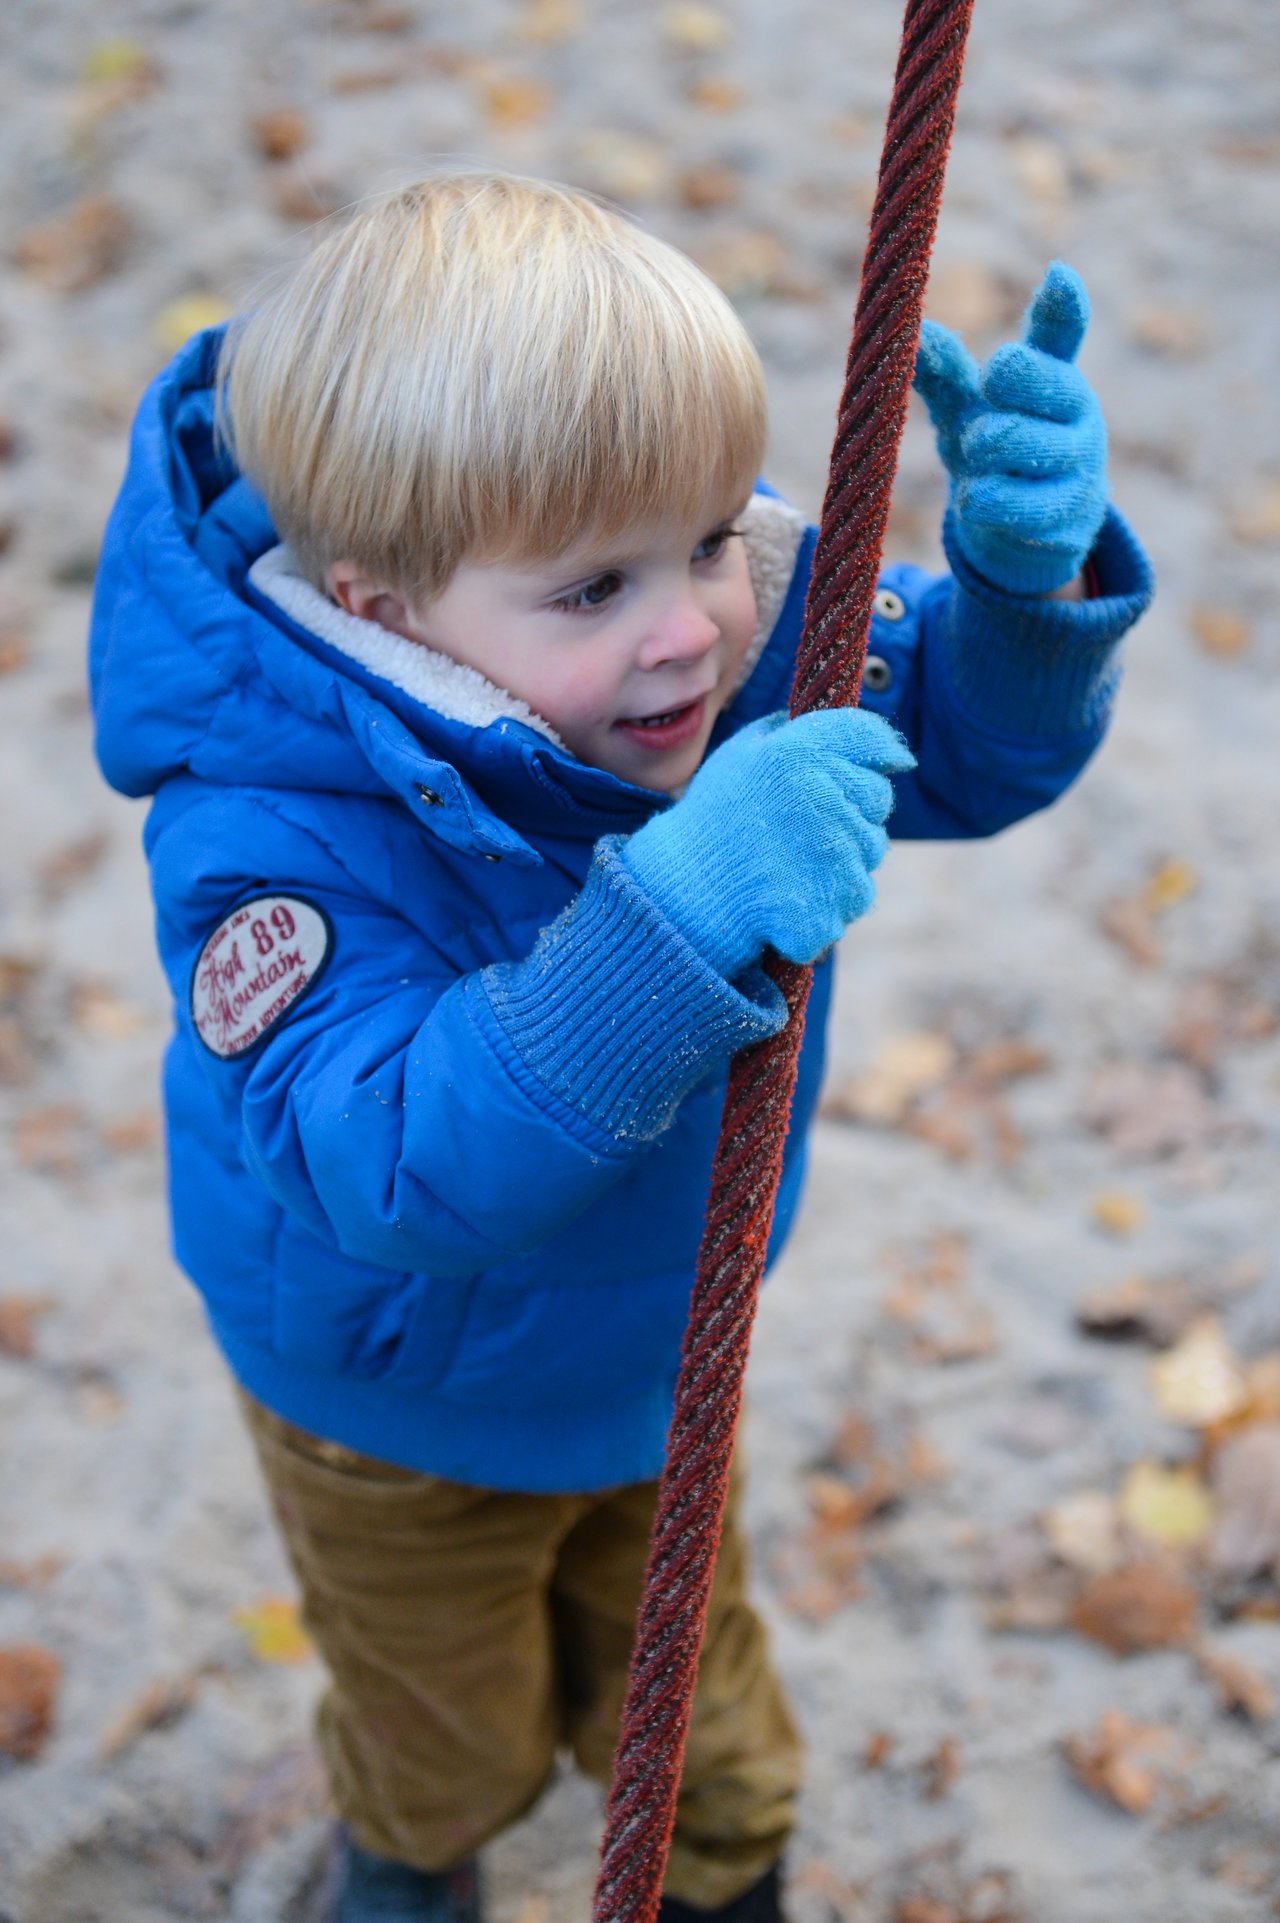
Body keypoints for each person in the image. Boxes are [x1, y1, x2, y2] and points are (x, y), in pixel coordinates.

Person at [88, 172, 1152, 1922]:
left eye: (712, 537)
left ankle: (726, 1881)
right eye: (595, 586)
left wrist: (1022, 593)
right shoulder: (267, 828)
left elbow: (962, 750)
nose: (689, 625)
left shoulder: (697, 645)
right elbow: (392, 1156)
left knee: (704, 1732)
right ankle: (405, 1863)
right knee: (447, 1729)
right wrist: (665, 922)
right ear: (386, 603)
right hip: (395, 1406)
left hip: (659, 1365)